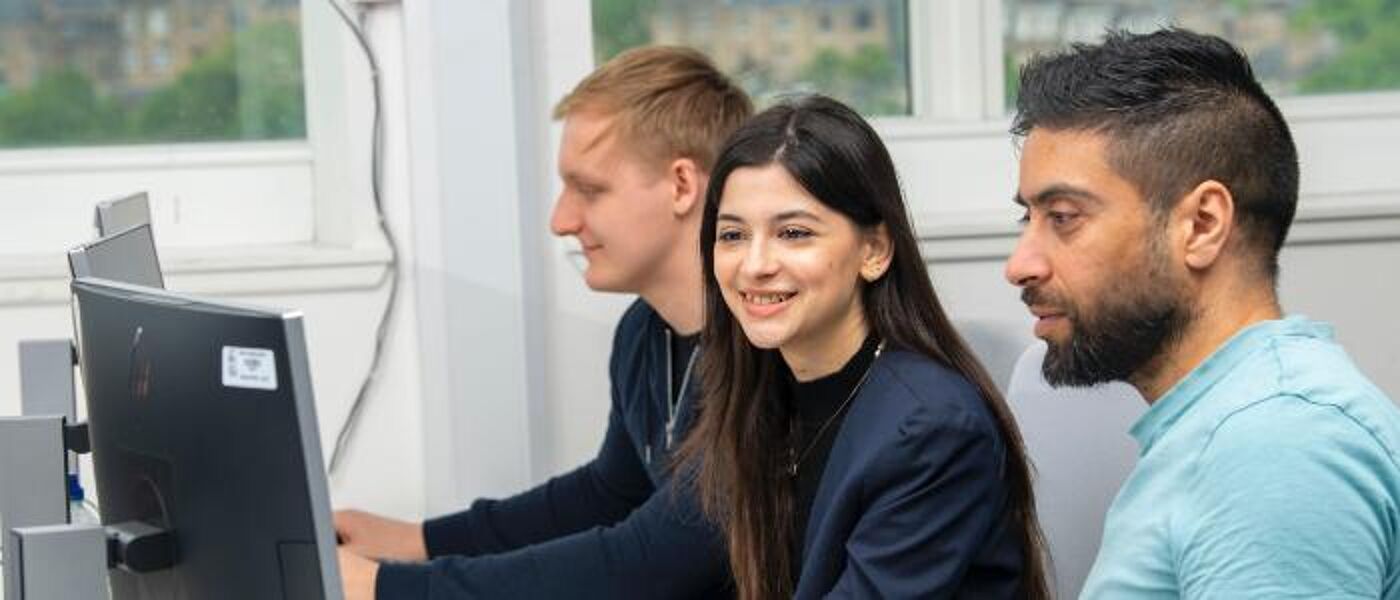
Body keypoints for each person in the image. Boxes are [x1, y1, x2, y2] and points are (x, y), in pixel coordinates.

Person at [334, 46, 752, 599]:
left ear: (681, 185)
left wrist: (388, 587)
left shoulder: (765, 352)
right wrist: (418, 540)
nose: (562, 221)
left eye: (590, 190)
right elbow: (608, 495)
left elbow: (646, 562)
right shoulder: (643, 333)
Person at [1006, 28, 1400, 598]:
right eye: (1029, 219)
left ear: (1202, 225)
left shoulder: (1277, 446)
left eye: (1063, 217)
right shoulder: (1226, 426)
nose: (1020, 265)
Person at [677, 95, 1050, 599]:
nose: (754, 264)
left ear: (873, 251)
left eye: (793, 233)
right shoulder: (758, 393)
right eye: (733, 234)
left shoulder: (931, 430)